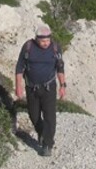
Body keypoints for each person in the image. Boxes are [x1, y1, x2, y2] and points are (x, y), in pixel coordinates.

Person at [15, 25, 66, 157]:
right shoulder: (28, 47)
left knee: (50, 117)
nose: (46, 43)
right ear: (37, 39)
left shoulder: (55, 48)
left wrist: (63, 86)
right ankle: (42, 133)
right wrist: (18, 87)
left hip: (49, 88)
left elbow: (60, 68)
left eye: (48, 40)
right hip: (31, 88)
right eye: (43, 41)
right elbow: (19, 68)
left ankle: (47, 145)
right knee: (34, 115)